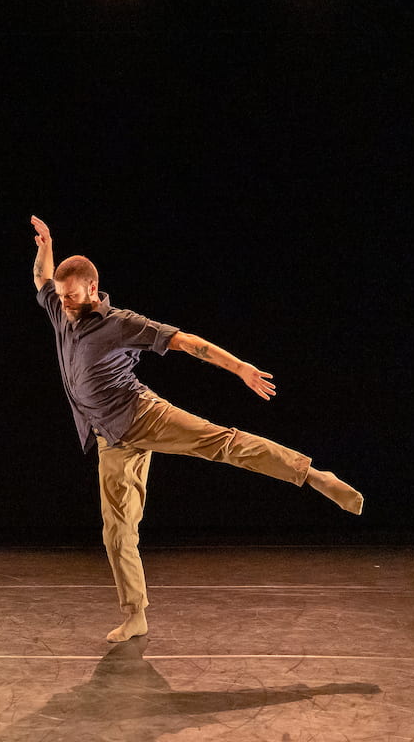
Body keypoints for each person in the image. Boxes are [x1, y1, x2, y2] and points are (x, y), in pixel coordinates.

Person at [30, 215, 363, 643]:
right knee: (117, 531)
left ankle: (311, 475)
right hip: (110, 438)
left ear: (93, 289)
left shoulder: (121, 323)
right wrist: (46, 246)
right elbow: (42, 279)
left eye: (72, 296)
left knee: (222, 443)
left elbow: (186, 342)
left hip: (144, 415)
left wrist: (239, 367)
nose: (65, 303)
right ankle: (135, 615)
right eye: (61, 296)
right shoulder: (60, 311)